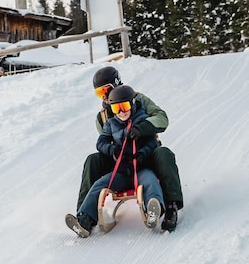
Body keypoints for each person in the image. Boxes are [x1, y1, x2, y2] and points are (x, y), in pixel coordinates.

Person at [77, 66, 184, 232]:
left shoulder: (137, 99)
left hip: (145, 155)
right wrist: (112, 151)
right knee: (93, 159)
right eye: (100, 93)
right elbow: (104, 140)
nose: (104, 96)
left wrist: (142, 128)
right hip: (121, 161)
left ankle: (170, 207)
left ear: (117, 84)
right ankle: (84, 216)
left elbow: (162, 119)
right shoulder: (103, 117)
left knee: (163, 154)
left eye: (106, 89)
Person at [66, 85, 166, 237]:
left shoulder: (142, 120)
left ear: (132, 104)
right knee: (99, 185)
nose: (121, 112)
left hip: (141, 169)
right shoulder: (111, 124)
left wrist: (142, 153)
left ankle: (154, 210)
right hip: (121, 172)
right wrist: (112, 150)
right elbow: (101, 142)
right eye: (115, 108)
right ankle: (85, 219)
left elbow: (153, 142)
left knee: (151, 182)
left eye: (124, 106)